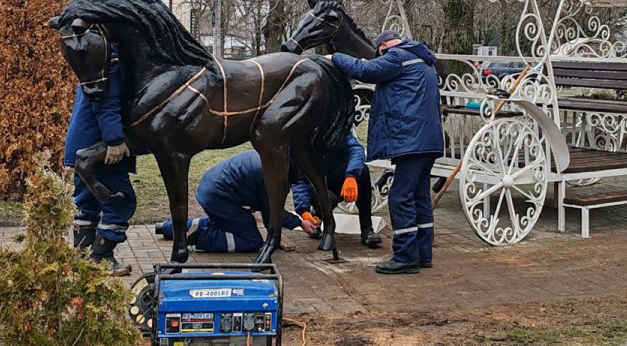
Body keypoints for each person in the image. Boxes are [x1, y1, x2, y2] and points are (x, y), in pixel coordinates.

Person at [328, 30, 443, 274]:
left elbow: (364, 70)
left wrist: (335, 57)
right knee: (419, 196)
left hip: (411, 141)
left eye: (379, 51)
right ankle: (423, 255)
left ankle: (404, 256)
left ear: (384, 46)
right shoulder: (422, 60)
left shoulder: (397, 57)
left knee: (400, 196)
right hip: (428, 140)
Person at [155, 150, 316, 252]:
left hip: (212, 188)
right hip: (219, 197)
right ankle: (200, 237)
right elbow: (272, 215)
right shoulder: (273, 178)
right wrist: (300, 223)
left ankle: (168, 228)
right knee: (252, 241)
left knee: (227, 223)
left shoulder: (272, 158)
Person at [65, 45, 135, 276]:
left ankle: (82, 257)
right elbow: (106, 102)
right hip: (99, 148)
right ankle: (101, 257)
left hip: (81, 145)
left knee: (86, 203)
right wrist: (114, 140)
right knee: (119, 200)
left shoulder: (95, 56)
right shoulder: (111, 58)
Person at [292, 134, 382, 248]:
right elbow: (298, 180)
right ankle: (317, 218)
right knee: (330, 200)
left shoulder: (339, 132)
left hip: (340, 177)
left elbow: (356, 150)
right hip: (318, 186)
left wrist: (351, 176)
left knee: (363, 171)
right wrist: (303, 210)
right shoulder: (301, 142)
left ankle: (367, 230)